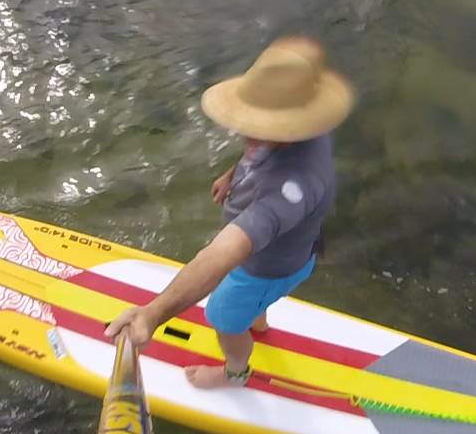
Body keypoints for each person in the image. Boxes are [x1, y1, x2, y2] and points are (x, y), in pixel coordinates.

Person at [104, 37, 352, 389]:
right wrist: (232, 175)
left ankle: (235, 372)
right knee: (250, 309)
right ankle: (257, 321)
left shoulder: (293, 189)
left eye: (257, 126)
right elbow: (261, 153)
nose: (243, 132)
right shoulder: (303, 128)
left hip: (265, 269)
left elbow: (225, 252)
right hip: (293, 246)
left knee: (222, 316)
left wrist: (152, 314)